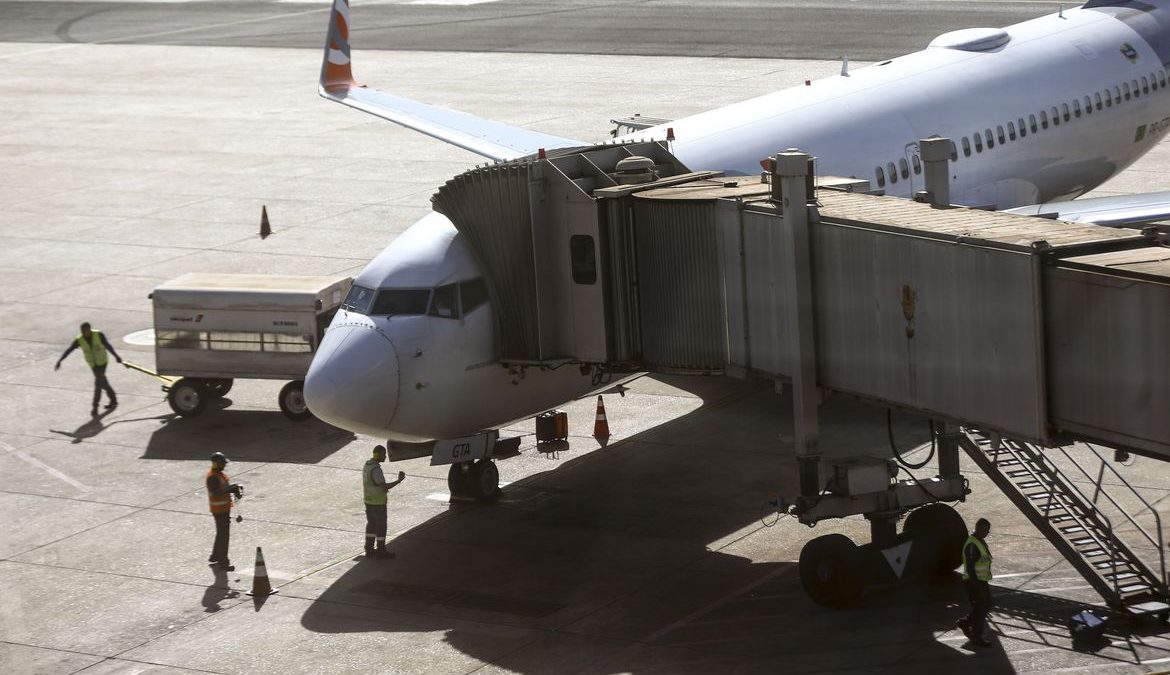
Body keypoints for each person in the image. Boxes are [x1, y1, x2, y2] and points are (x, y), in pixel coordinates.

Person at [55, 322, 122, 417]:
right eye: (82, 331)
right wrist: (60, 360)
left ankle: (95, 407)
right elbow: (70, 349)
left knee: (98, 384)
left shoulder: (98, 334)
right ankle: (113, 400)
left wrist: (116, 356)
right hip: (93, 365)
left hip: (102, 362)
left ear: (89, 329)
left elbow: (108, 346)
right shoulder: (80, 339)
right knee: (102, 383)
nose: (83, 333)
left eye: (85, 331)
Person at [957, 517, 994, 648]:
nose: (987, 533)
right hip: (973, 582)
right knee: (981, 609)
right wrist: (976, 587)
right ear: (980, 528)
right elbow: (970, 568)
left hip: (981, 580)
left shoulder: (980, 541)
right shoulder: (973, 545)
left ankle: (966, 622)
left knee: (987, 605)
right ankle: (976, 638)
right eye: (986, 530)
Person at [363, 446, 405, 559]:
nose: (385, 456)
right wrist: (399, 480)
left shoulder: (367, 466)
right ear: (378, 455)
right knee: (381, 527)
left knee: (371, 525)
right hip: (378, 504)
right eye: (383, 454)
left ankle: (369, 549)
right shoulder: (376, 470)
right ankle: (381, 551)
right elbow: (383, 487)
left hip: (369, 501)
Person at [207, 452, 242, 571]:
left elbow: (223, 489)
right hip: (219, 511)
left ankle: (215, 556)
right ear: (217, 464)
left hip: (223, 509)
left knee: (221, 534)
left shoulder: (218, 475)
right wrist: (230, 489)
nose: (224, 465)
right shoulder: (213, 477)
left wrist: (232, 488)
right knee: (224, 536)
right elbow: (217, 492)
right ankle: (224, 563)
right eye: (222, 463)